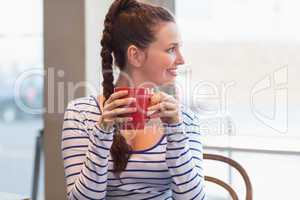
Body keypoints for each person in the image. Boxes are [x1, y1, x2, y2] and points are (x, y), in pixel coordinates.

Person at [61, 0, 206, 199]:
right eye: (171, 49)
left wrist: (175, 130)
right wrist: (103, 132)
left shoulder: (184, 119)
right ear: (135, 55)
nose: (182, 59)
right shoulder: (81, 114)